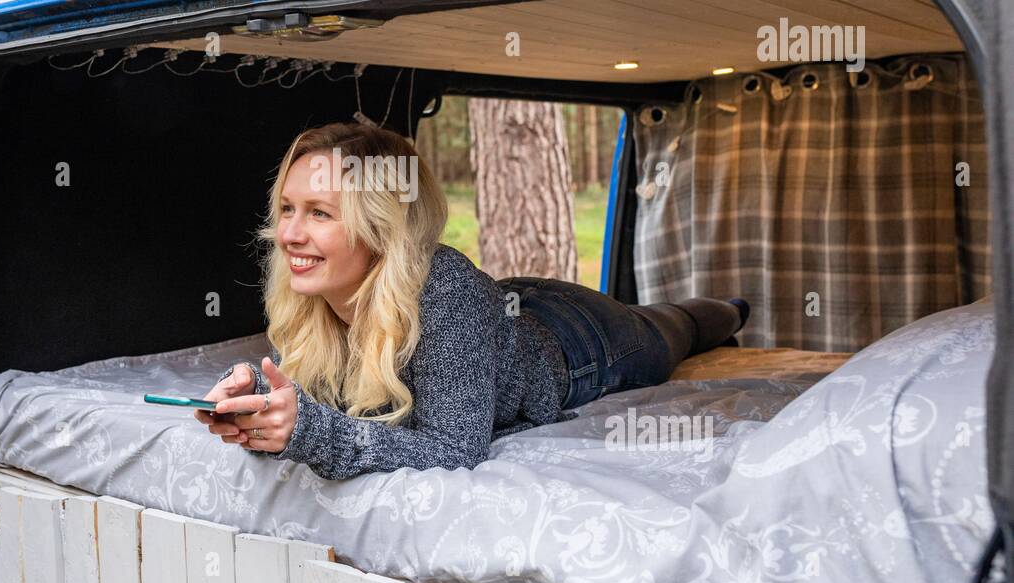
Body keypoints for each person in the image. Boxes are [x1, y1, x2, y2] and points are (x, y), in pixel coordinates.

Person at [193, 121, 748, 481]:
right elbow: (316, 394)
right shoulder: (313, 289)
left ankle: (735, 307)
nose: (289, 233)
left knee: (681, 326)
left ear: (381, 226)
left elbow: (454, 448)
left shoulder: (443, 290)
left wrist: (312, 434)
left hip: (578, 337)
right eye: (288, 208)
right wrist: (257, 397)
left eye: (319, 212)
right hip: (502, 304)